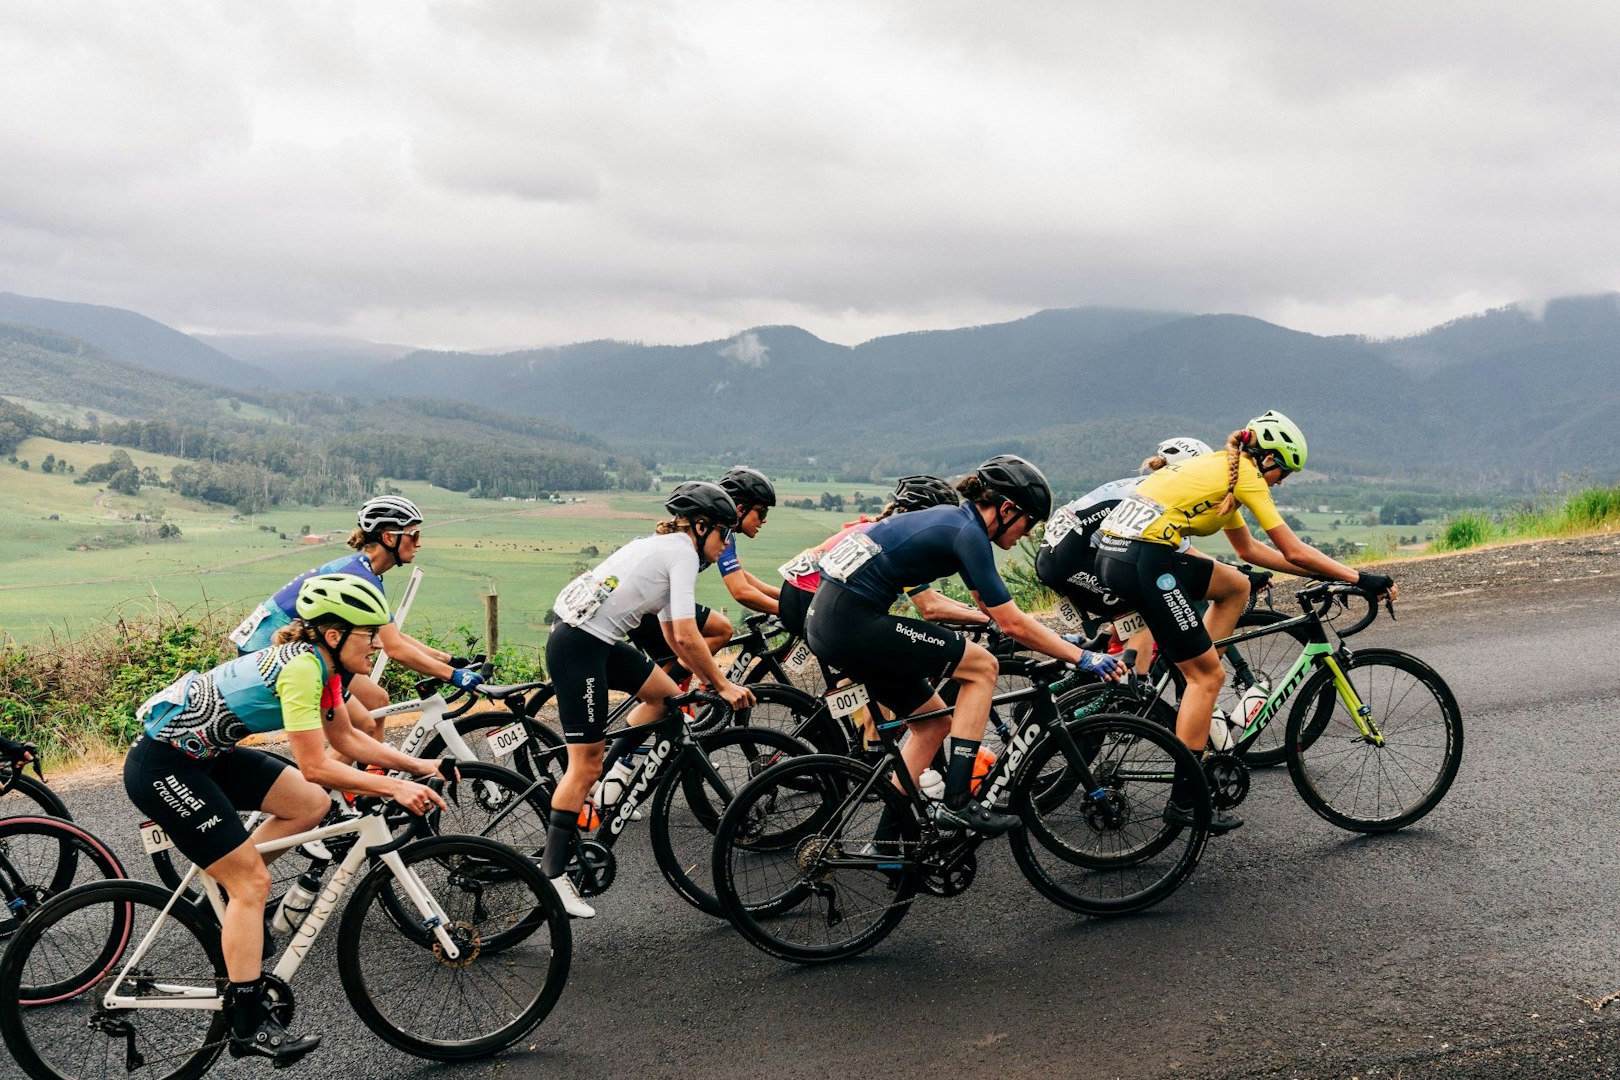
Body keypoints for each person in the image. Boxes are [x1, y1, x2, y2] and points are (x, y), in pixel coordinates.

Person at [125, 574, 452, 1065]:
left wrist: (419, 766)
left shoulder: (325, 668)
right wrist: (397, 786)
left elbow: (346, 741)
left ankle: (228, 885)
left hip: (206, 755)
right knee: (253, 883)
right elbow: (317, 765)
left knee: (309, 804)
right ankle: (247, 1021)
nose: (378, 645)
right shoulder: (302, 670)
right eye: (369, 635)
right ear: (335, 635)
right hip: (163, 766)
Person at [1096, 410, 1396, 833]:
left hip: (1120, 556)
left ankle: (1193, 682)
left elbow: (1251, 551)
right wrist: (1357, 577)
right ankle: (1187, 800)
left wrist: (1326, 573)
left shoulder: (1222, 470)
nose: (1281, 482)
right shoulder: (1246, 476)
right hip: (1142, 561)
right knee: (1208, 679)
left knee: (1234, 586)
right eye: (1284, 472)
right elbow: (1292, 549)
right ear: (1268, 457)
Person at [805, 455, 1124, 835]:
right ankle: (958, 801)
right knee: (982, 668)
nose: (1027, 532)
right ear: (1007, 509)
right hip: (851, 624)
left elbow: (994, 610)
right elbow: (1009, 622)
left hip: (831, 622)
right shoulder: (966, 533)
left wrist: (1057, 641)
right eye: (1029, 522)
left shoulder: (956, 524)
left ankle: (888, 840)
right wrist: (1083, 656)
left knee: (934, 725)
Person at [541, 482, 757, 917]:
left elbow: (673, 635)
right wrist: (723, 684)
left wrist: (705, 677)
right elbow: (684, 634)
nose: (726, 544)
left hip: (598, 641)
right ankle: (552, 876)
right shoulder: (679, 554)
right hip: (579, 647)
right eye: (723, 534)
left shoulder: (666, 547)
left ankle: (610, 784)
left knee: (665, 697)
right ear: (700, 528)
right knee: (585, 761)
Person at [228, 495, 483, 743]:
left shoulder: (363, 571)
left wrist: (450, 660)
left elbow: (393, 636)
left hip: (289, 647)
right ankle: (333, 784)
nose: (418, 543)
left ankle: (361, 781)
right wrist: (454, 675)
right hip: (270, 652)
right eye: (413, 535)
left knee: (377, 702)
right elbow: (395, 649)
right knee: (364, 726)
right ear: (389, 538)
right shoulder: (360, 578)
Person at [778, 474, 986, 761]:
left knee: (872, 664)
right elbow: (929, 606)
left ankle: (853, 728)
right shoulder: (900, 540)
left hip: (801, 594)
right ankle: (872, 748)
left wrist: (972, 613)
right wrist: (983, 617)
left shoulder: (882, 528)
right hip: (817, 602)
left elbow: (931, 600)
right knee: (885, 663)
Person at [1036, 437, 1214, 671]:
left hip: (1055, 556)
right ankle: (1135, 692)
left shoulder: (1143, 484)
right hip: (1070, 560)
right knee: (1149, 607)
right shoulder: (1159, 497)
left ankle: (1095, 651)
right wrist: (1240, 577)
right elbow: (1190, 555)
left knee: (1135, 599)